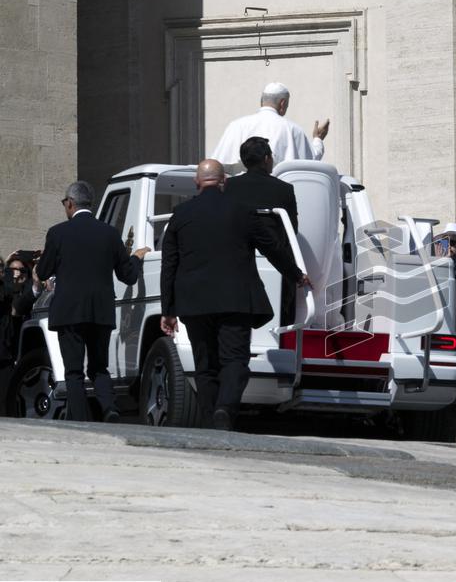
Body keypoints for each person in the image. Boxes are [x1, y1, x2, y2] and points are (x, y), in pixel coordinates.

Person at [160, 159, 310, 430]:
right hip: (236, 302)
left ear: (196, 183)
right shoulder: (243, 212)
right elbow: (273, 248)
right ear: (224, 182)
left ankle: (210, 418)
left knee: (205, 365)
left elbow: (169, 265)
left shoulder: (179, 215)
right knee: (235, 361)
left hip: (194, 304)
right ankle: (224, 410)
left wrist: (168, 309)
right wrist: (296, 275)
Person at [35, 181, 151, 422]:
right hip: (100, 311)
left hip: (69, 311)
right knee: (99, 367)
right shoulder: (109, 233)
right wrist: (137, 258)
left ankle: (79, 418)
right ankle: (109, 408)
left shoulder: (57, 233)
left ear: (70, 203)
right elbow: (127, 275)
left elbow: (44, 271)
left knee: (74, 371)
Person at [224, 136, 300, 326]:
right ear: (267, 159)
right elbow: (292, 230)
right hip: (277, 263)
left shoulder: (229, 187)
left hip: (236, 263)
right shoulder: (284, 189)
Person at [210, 82, 329, 175]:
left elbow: (217, 165)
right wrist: (318, 139)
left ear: (261, 101)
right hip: (279, 197)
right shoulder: (292, 129)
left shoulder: (236, 125)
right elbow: (310, 161)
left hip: (241, 197)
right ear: (282, 103)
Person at [0, 252, 42, 407]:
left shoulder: (31, 292)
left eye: (22, 270)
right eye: (12, 270)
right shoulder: (5, 292)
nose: (17, 274)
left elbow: (23, 302)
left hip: (19, 357)